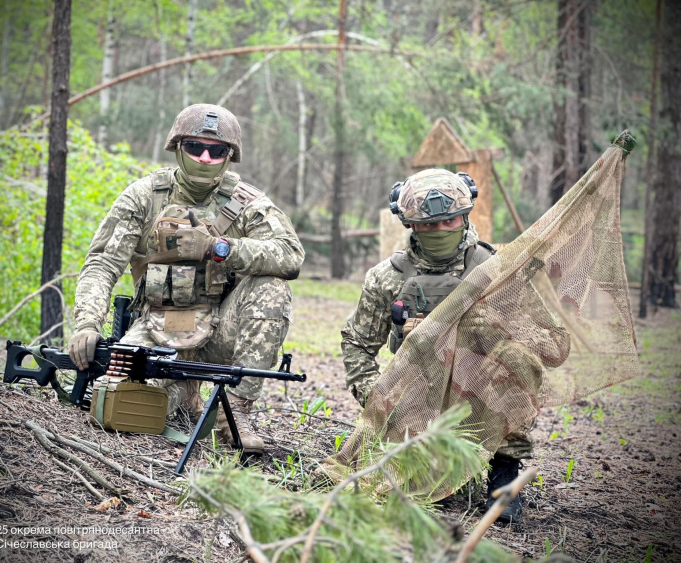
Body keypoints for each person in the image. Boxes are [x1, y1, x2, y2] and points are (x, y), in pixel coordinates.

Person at [68, 103, 304, 455]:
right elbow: (102, 263)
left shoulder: (248, 203)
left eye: (217, 151)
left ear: (229, 156)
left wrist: (219, 248)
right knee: (124, 403)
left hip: (222, 329)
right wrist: (87, 323)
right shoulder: (145, 196)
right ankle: (184, 393)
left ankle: (235, 410)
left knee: (271, 288)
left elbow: (290, 255)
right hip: (158, 327)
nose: (205, 157)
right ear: (178, 147)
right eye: (195, 147)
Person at [341, 168, 569, 522]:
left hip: (481, 398)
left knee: (519, 361)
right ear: (410, 225)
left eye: (449, 222)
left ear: (465, 217)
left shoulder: (497, 270)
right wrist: (373, 396)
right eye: (428, 225)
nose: (440, 231)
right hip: (416, 395)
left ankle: (503, 469)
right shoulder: (387, 277)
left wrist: (497, 337)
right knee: (392, 488)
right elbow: (357, 342)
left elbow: (552, 346)